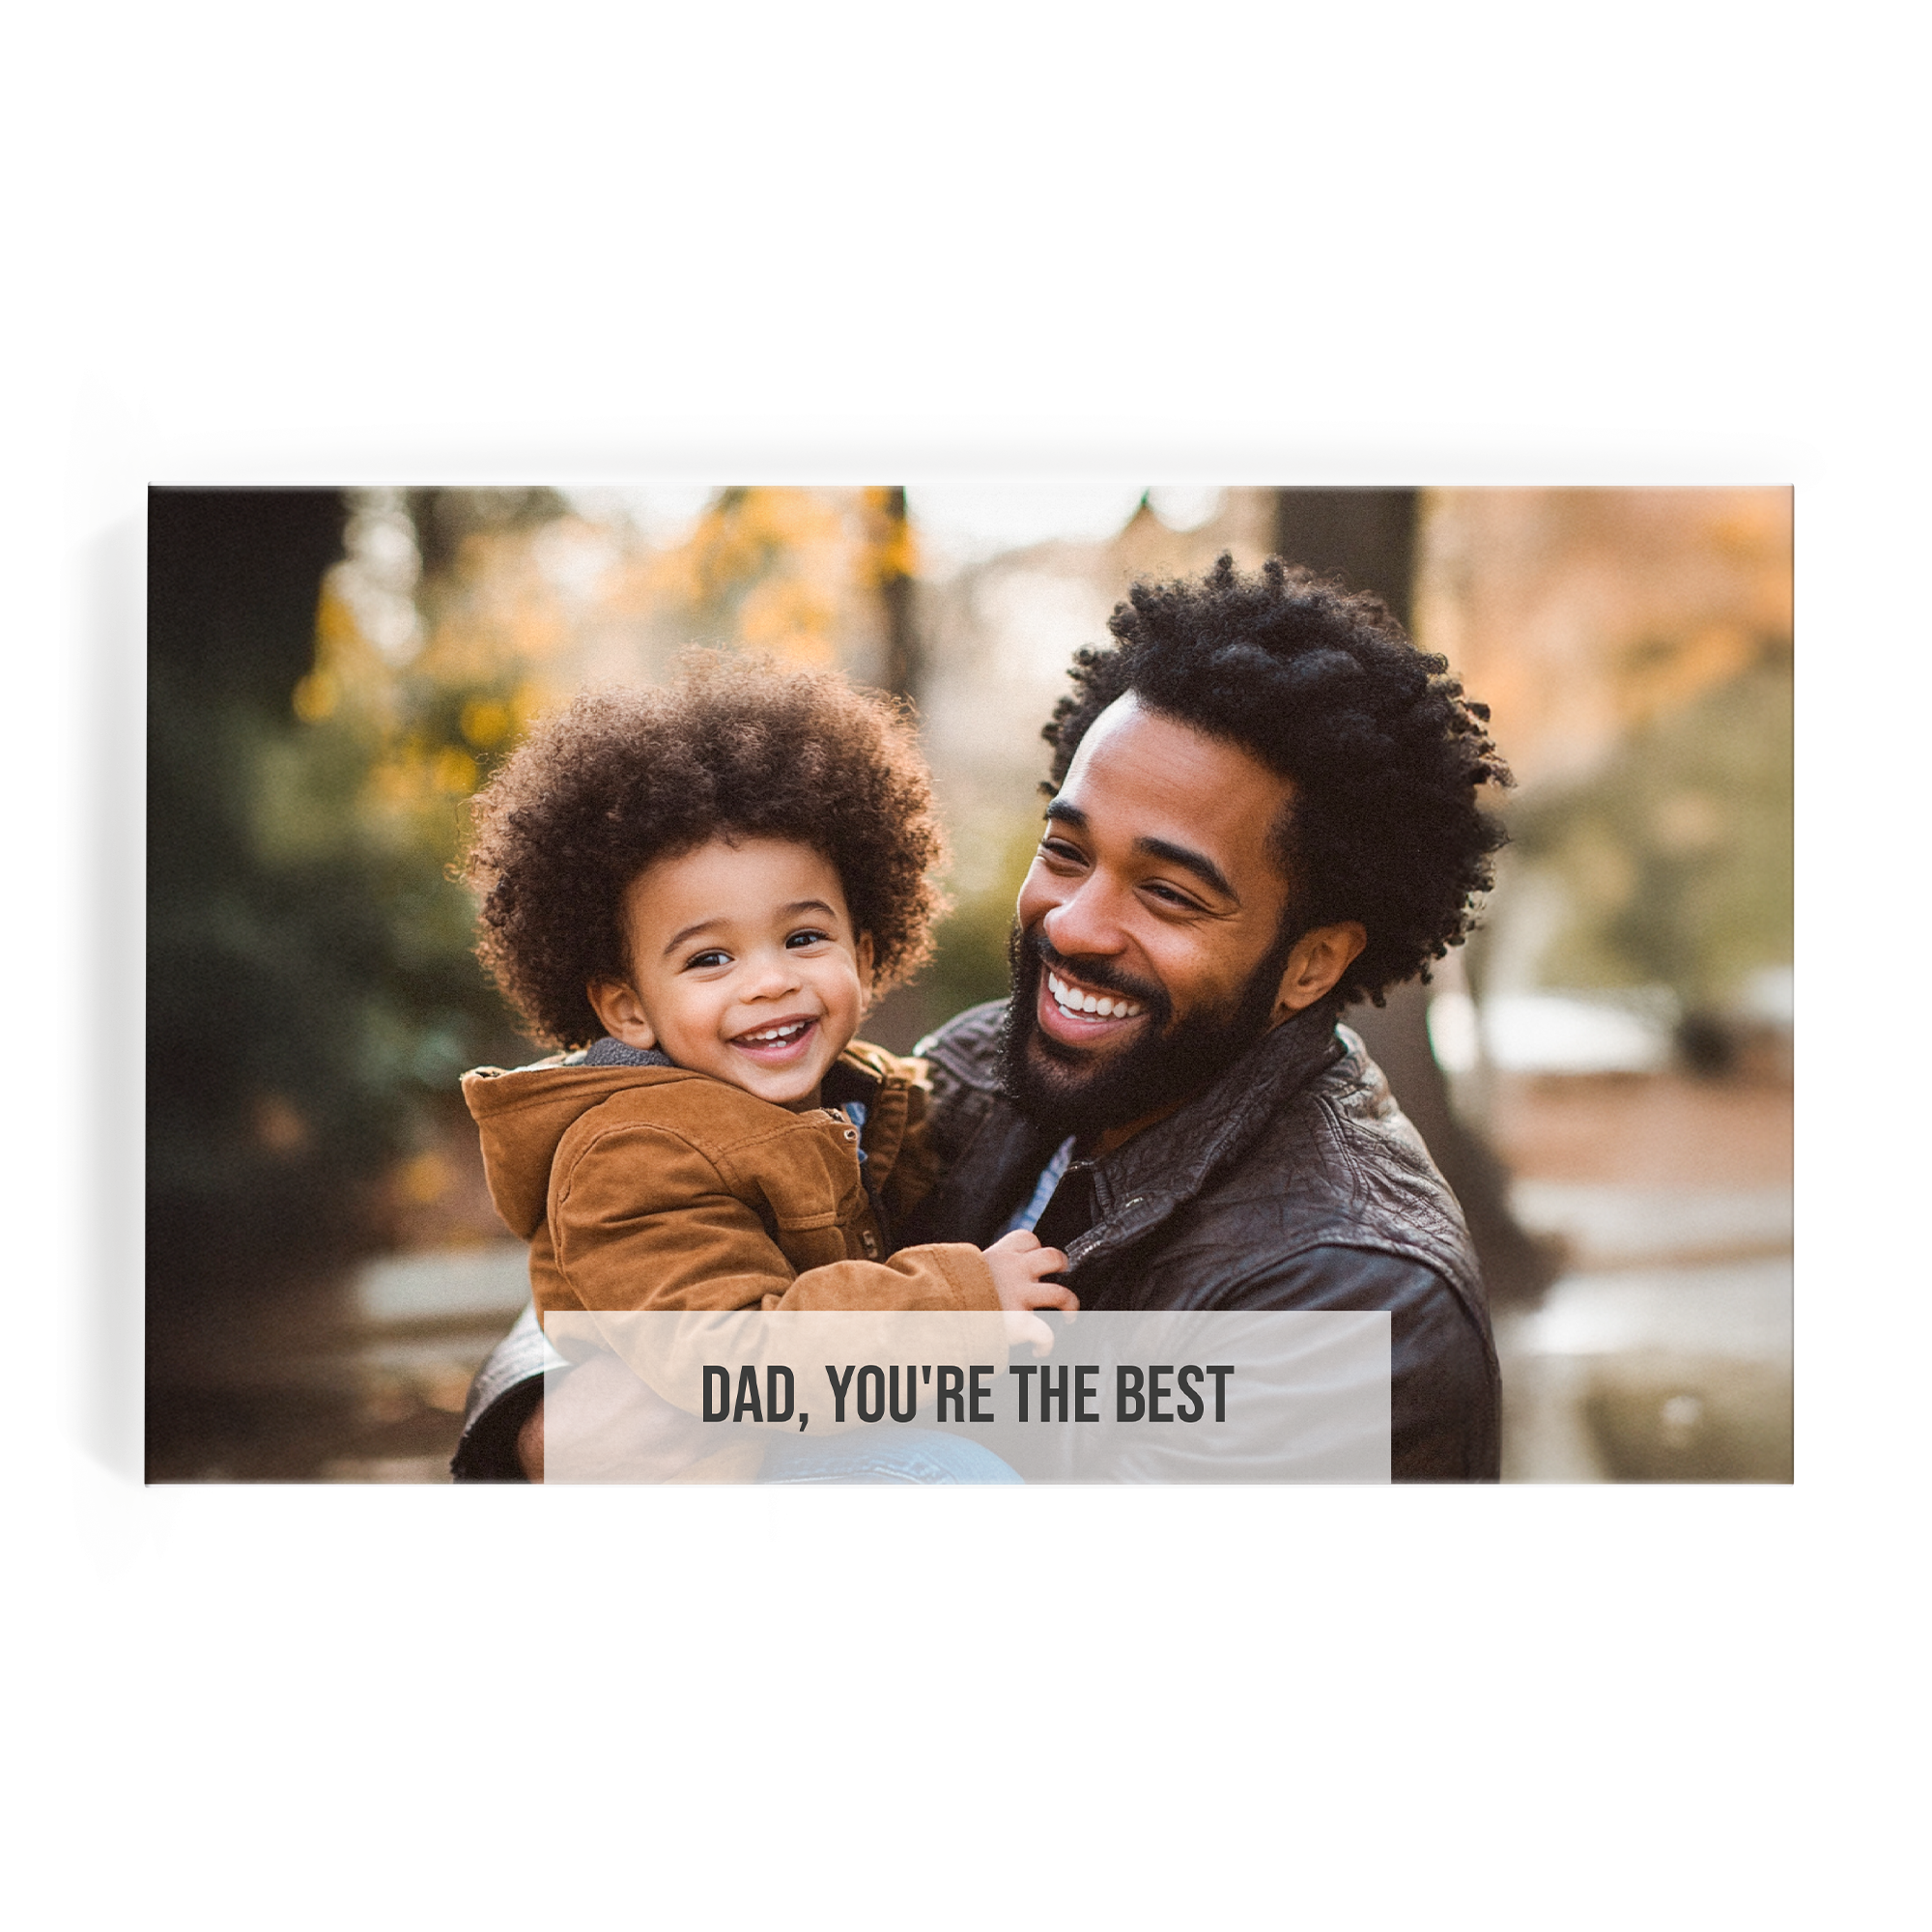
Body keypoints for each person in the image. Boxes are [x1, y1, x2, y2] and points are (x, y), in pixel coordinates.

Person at [456, 556, 1511, 1483]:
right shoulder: (973, 1067)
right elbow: (656, 1256)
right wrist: (543, 1409)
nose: (1077, 923)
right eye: (1065, 852)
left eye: (1169, 894)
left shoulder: (1349, 1300)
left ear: (1311, 962)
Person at [454, 657, 1070, 1484]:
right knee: (957, 1481)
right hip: (714, 1478)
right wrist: (960, 1302)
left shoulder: (872, 1098)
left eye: (803, 938)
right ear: (628, 1009)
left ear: (867, 949)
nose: (769, 980)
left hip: (798, 1451)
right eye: (710, 957)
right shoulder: (632, 1154)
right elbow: (740, 1364)